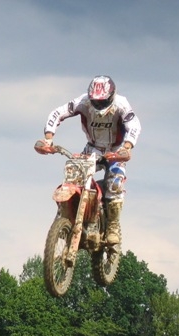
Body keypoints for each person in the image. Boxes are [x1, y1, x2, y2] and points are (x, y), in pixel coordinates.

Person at [36, 75, 141, 244]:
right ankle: (66, 218)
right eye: (95, 101)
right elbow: (57, 112)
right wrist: (48, 139)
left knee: (115, 184)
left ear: (111, 96)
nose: (99, 105)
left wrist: (127, 147)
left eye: (102, 101)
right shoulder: (83, 102)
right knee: (73, 177)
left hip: (116, 151)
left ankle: (112, 226)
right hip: (92, 149)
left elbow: (134, 125)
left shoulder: (121, 104)